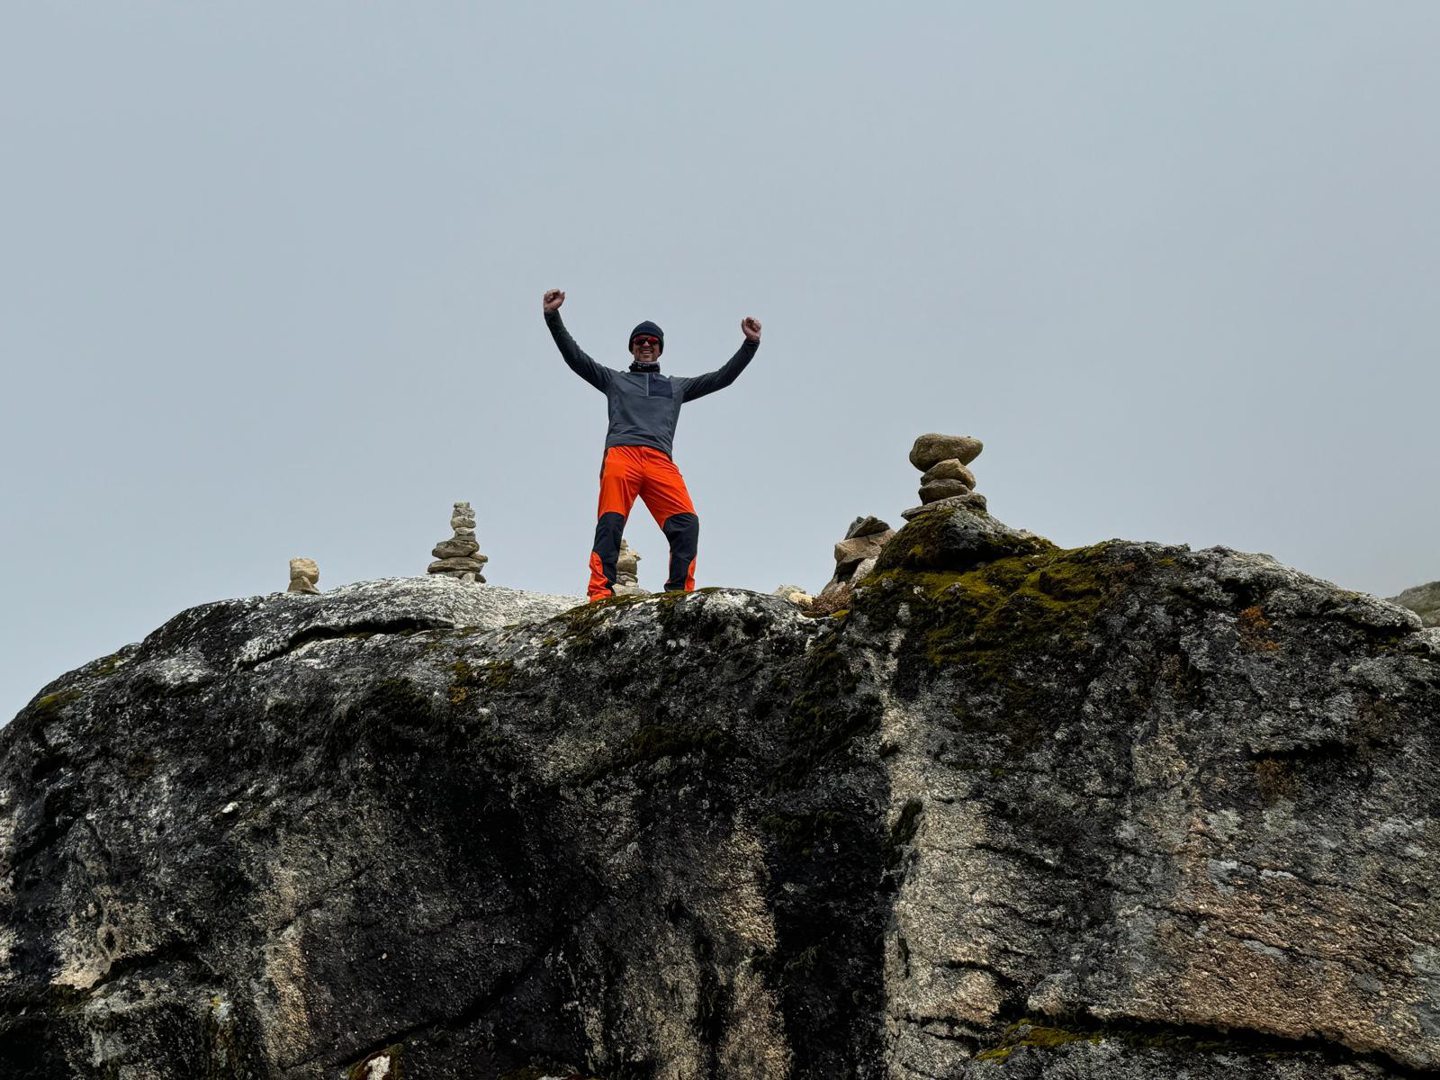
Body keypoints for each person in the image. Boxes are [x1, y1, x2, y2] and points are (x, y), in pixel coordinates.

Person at [542, 289, 762, 602]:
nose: (646, 345)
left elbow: (722, 378)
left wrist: (749, 345)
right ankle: (600, 593)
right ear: (632, 348)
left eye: (652, 341)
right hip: (622, 455)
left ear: (659, 349)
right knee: (611, 523)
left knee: (687, 523)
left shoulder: (676, 387)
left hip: (660, 461)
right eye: (639, 341)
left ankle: (677, 595)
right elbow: (576, 358)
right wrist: (553, 317)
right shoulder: (614, 380)